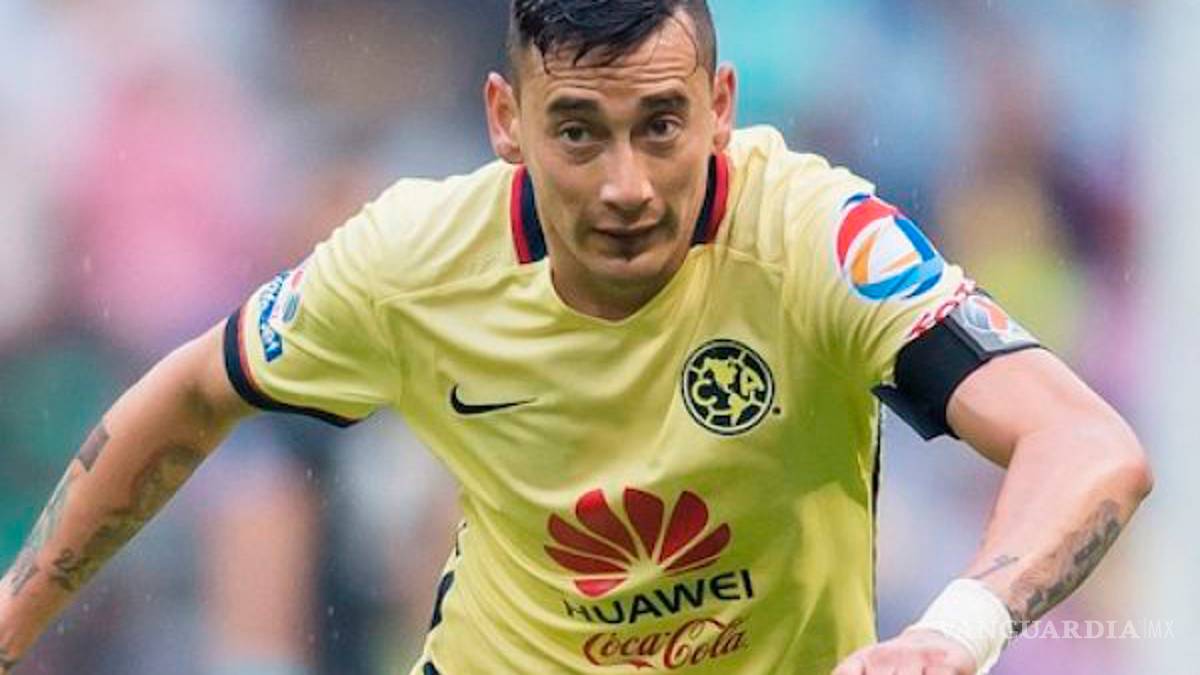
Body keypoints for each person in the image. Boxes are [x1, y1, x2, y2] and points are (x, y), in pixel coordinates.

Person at [0, 1, 1153, 673]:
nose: (626, 186)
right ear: (506, 119)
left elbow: (1087, 444)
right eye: (578, 132)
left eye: (661, 126)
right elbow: (194, 393)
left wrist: (957, 630)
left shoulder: (814, 239)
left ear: (721, 106)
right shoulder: (412, 256)